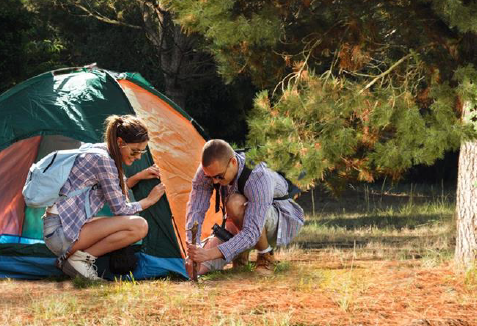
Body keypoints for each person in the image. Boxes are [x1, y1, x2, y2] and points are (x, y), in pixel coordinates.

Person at [42, 114, 166, 280]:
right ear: (121, 142)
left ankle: (67, 259)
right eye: (135, 151)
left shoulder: (99, 150)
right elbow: (120, 208)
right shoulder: (104, 161)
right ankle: (80, 260)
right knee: (139, 226)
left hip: (58, 228)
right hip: (60, 233)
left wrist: (137, 177)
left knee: (114, 222)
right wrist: (148, 201)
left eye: (141, 151)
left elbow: (111, 189)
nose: (138, 156)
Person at [185, 139, 304, 276]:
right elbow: (195, 210)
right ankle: (241, 256)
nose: (214, 181)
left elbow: (252, 232)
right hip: (239, 224)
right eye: (210, 177)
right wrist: (193, 248)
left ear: (233, 162)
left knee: (234, 203)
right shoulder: (209, 172)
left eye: (219, 176)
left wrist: (209, 254)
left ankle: (266, 256)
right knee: (195, 270)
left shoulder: (258, 176)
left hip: (277, 220)